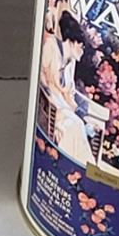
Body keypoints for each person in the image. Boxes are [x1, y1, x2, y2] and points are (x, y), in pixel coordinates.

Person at [38, 11, 96, 165]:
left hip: (63, 109)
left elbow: (70, 94)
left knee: (78, 125)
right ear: (74, 42)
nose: (82, 52)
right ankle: (67, 165)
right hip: (49, 106)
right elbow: (40, 77)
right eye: (82, 47)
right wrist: (52, 99)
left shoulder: (71, 63)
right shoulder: (51, 46)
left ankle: (84, 167)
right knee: (73, 126)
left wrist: (82, 115)